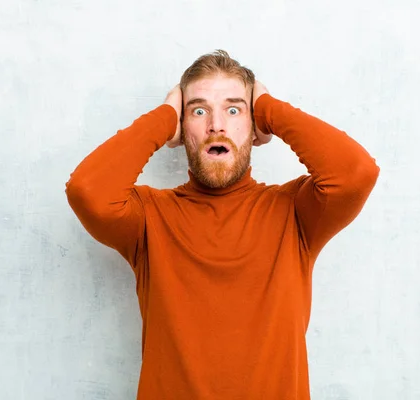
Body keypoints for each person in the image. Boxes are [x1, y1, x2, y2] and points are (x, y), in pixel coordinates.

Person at [65, 49, 380, 400]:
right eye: (198, 111)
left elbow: (356, 174)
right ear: (182, 130)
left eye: (234, 110)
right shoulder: (148, 218)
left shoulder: (295, 213)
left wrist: (270, 109)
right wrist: (164, 116)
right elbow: (88, 191)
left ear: (255, 127)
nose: (217, 124)